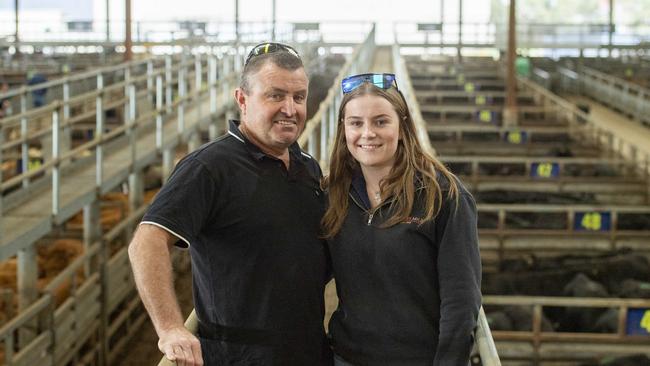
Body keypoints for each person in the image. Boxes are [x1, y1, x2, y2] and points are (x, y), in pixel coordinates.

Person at [128, 42, 332, 366]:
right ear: (242, 99)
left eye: (298, 97)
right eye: (275, 95)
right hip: (238, 356)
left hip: (308, 349)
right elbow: (147, 241)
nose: (290, 109)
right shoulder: (209, 167)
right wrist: (170, 328)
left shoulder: (307, 165)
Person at [322, 73, 482, 366]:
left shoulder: (443, 196)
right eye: (356, 123)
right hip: (346, 357)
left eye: (381, 121)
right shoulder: (332, 196)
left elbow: (461, 299)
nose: (367, 133)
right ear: (343, 129)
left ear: (402, 125)